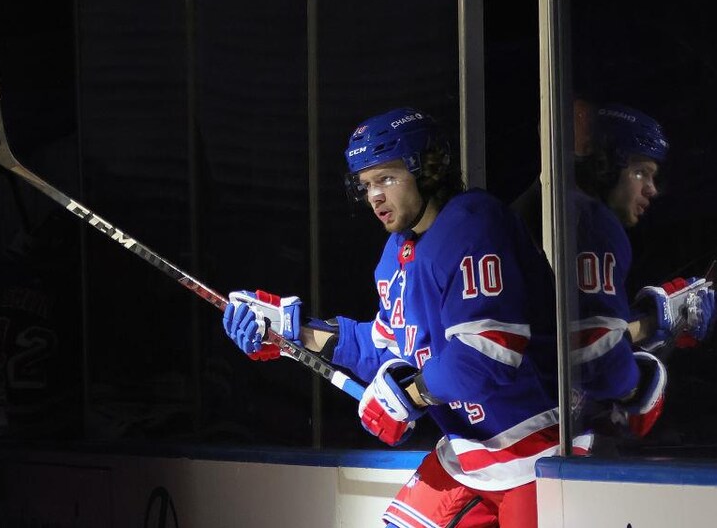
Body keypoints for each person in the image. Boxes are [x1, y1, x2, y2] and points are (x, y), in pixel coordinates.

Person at [223, 107, 561, 527]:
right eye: (365, 185)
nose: (374, 197)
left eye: (386, 178)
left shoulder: (474, 224)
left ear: (428, 168)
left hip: (538, 451)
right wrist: (292, 333)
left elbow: (486, 355)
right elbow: (384, 346)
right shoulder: (396, 257)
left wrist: (409, 396)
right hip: (469, 453)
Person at [569, 103, 717, 455]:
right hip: (529, 452)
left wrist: (654, 320)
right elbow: (597, 361)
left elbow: (577, 336)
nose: (652, 189)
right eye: (641, 172)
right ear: (607, 166)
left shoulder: (564, 213)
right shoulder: (592, 222)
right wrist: (655, 332)